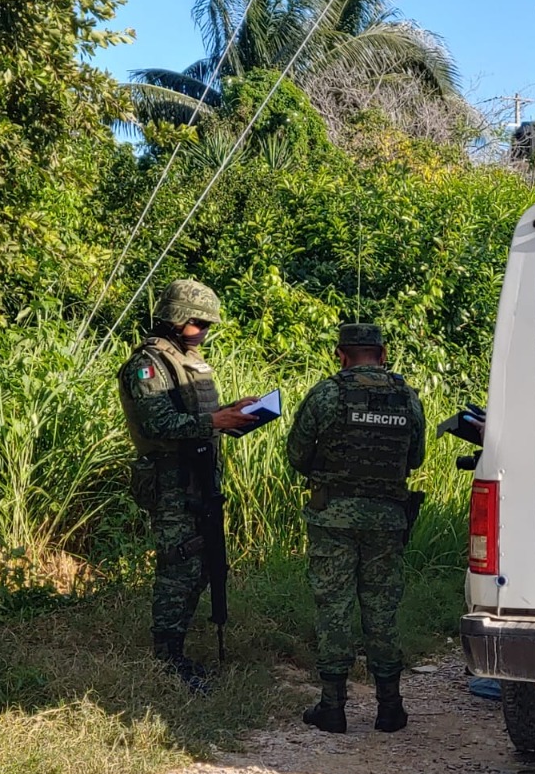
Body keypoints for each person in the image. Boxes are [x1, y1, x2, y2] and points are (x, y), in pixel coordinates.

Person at [117, 279, 258, 693]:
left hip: (198, 477)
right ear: (176, 319)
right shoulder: (147, 366)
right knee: (178, 567)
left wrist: (228, 413)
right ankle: (167, 659)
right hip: (171, 481)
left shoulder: (185, 360)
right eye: (200, 323)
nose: (205, 331)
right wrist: (216, 421)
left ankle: (177, 652)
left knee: (203, 564)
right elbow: (157, 424)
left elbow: (192, 414)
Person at [286, 323, 426, 733]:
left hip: (333, 519)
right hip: (386, 519)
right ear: (383, 355)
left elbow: (297, 455)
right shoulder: (406, 397)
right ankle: (390, 708)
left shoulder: (326, 394)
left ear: (341, 355)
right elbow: (415, 457)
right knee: (382, 608)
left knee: (334, 607)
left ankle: (333, 707)